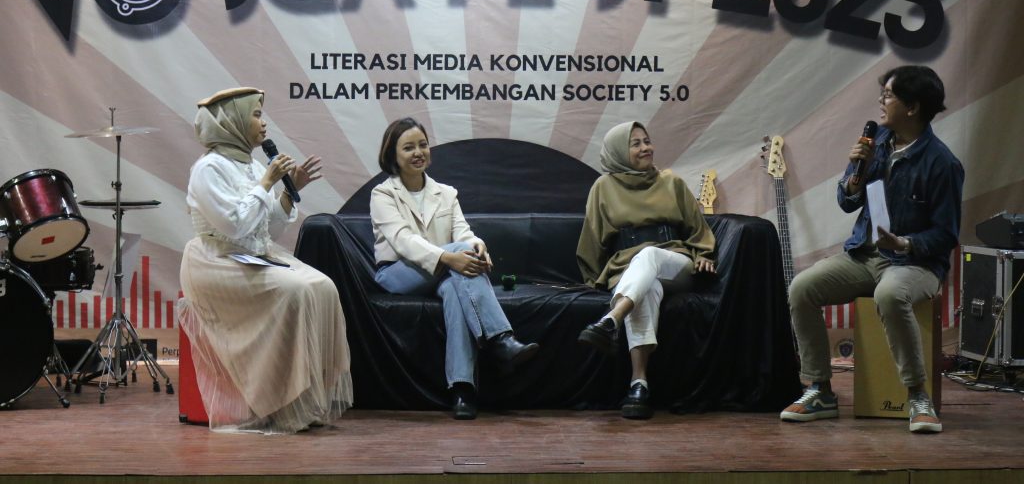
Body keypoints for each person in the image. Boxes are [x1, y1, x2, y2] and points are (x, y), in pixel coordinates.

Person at [781, 65, 964, 434]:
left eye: (889, 95)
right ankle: (820, 389)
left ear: (912, 107)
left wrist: (906, 243)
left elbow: (946, 235)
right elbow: (846, 201)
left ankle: (918, 396)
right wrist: (855, 178)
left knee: (890, 294)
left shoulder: (942, 163)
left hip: (916, 263)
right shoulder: (875, 143)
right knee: (802, 288)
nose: (881, 101)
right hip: (863, 256)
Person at [178, 87, 353, 434]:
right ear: (233, 121)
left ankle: (307, 398)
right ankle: (279, 402)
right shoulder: (208, 168)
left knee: (324, 286)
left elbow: (267, 228)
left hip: (253, 254)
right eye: (256, 115)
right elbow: (234, 225)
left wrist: (288, 191)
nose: (263, 123)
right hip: (218, 261)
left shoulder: (252, 164)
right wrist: (267, 182)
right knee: (295, 291)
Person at [369, 117, 540, 420]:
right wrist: (451, 257)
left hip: (442, 275)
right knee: (458, 255)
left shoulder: (446, 192)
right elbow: (403, 240)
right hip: (398, 274)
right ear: (393, 154)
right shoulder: (383, 194)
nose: (418, 152)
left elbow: (463, 233)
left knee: (455, 291)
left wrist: (477, 246)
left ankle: (462, 390)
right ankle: (501, 339)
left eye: (423, 145)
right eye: (408, 147)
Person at [576, 121, 716, 419]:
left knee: (649, 254)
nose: (646, 148)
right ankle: (639, 384)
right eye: (636, 143)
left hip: (674, 261)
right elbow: (592, 239)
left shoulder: (672, 182)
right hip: (627, 267)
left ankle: (612, 319)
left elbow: (698, 229)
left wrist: (703, 254)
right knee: (646, 289)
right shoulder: (603, 187)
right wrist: (593, 279)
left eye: (647, 141)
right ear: (618, 152)